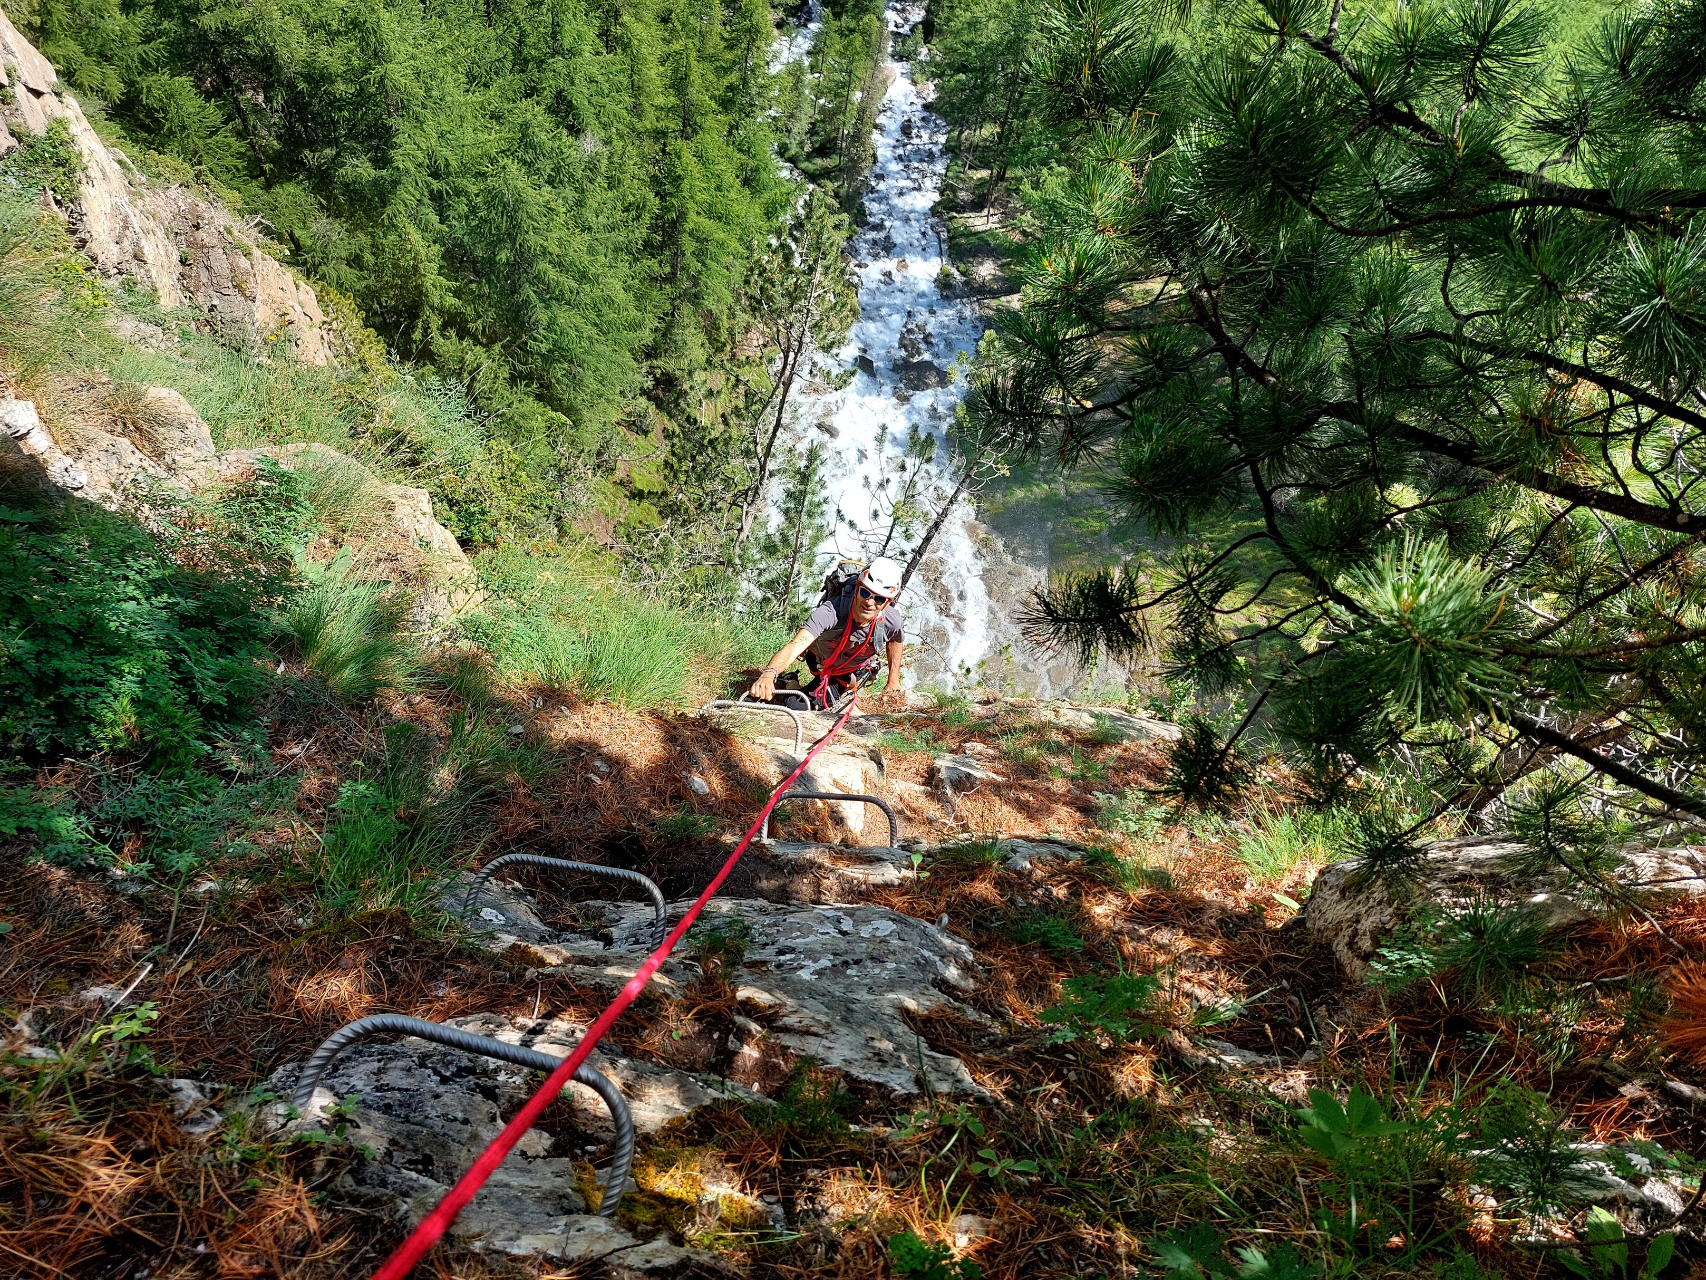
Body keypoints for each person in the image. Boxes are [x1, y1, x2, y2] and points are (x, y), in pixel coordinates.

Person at [750, 557, 906, 711]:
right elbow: (795, 645)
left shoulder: (891, 622)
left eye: (879, 599)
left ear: (887, 602)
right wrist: (769, 674)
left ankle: (791, 683)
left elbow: (896, 640)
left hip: (845, 673)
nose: (869, 603)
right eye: (865, 593)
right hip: (818, 660)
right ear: (857, 588)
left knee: (794, 705)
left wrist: (893, 680)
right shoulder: (831, 611)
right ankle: (790, 681)